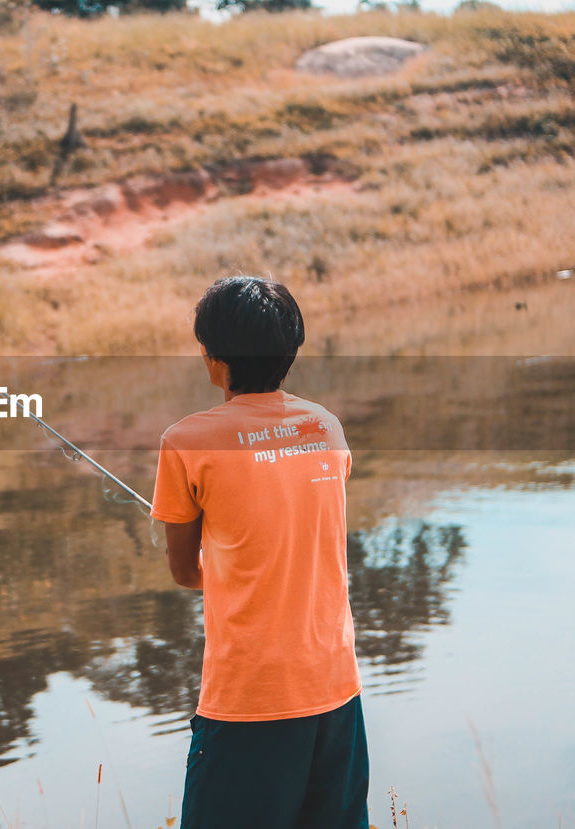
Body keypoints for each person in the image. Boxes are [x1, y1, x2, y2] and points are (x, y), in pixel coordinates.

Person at [150, 276, 368, 828]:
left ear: (214, 357)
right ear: (289, 348)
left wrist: (222, 566)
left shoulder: (187, 441)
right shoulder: (326, 427)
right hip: (336, 691)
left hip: (250, 701)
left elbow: (184, 572)